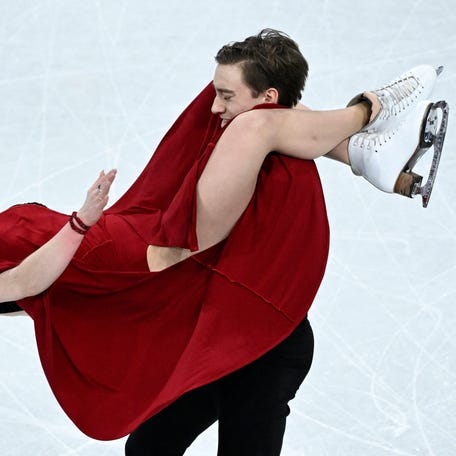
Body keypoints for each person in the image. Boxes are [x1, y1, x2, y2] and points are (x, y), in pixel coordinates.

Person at [0, 29, 442, 455]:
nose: (216, 107)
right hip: (230, 321)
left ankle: (361, 152)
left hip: (218, 317)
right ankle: (367, 118)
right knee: (255, 126)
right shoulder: (256, 135)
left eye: (224, 97)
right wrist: (80, 223)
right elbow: (21, 282)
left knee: (242, 109)